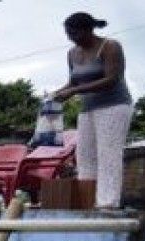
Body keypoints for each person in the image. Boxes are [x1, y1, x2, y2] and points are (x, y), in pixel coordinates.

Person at [52, 11, 133, 209]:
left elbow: (112, 78)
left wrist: (74, 91)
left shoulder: (110, 46)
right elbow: (73, 81)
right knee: (85, 155)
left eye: (75, 33)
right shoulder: (72, 53)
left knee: (108, 154)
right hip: (88, 108)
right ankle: (88, 202)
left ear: (88, 30)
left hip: (114, 105)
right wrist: (55, 94)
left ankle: (107, 204)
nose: (72, 38)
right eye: (68, 34)